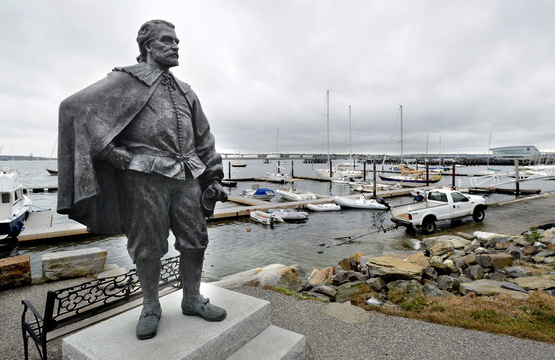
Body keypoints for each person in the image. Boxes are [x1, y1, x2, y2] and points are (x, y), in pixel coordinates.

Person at [57, 19, 228, 340]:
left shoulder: (186, 91)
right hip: (143, 178)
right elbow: (74, 108)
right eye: (167, 40)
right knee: (147, 245)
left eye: (177, 41)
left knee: (196, 240)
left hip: (187, 177)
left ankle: (192, 299)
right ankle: (151, 305)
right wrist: (108, 151)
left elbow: (204, 138)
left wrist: (213, 176)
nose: (176, 45)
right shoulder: (125, 81)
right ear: (148, 46)